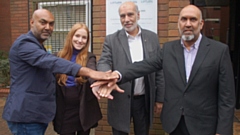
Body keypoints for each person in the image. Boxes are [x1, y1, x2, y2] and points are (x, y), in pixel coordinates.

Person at [93, 5, 235, 135]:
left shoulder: (219, 51)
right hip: (175, 123)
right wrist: (117, 75)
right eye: (184, 19)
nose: (188, 24)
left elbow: (227, 97)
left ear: (201, 23)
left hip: (203, 125)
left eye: (193, 19)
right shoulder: (169, 49)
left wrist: (222, 130)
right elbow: (144, 65)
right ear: (178, 23)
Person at [2, 9, 117, 135]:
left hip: (39, 115)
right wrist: (89, 72)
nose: (48, 27)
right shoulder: (25, 44)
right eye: (43, 22)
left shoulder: (87, 56)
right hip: (26, 115)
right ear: (32, 22)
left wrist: (96, 82)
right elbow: (50, 62)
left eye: (51, 24)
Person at [95, 1, 165, 135]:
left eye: (130, 15)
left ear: (138, 15)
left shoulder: (152, 38)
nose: (126, 19)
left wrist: (159, 98)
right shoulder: (111, 40)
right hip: (120, 99)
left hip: (144, 100)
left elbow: (159, 69)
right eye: (122, 16)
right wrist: (106, 75)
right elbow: (104, 61)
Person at [53, 23, 102, 135]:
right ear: (71, 36)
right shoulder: (57, 57)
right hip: (64, 111)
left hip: (83, 110)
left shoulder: (89, 57)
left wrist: (95, 84)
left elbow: (91, 71)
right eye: (77, 36)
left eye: (84, 37)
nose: (80, 40)